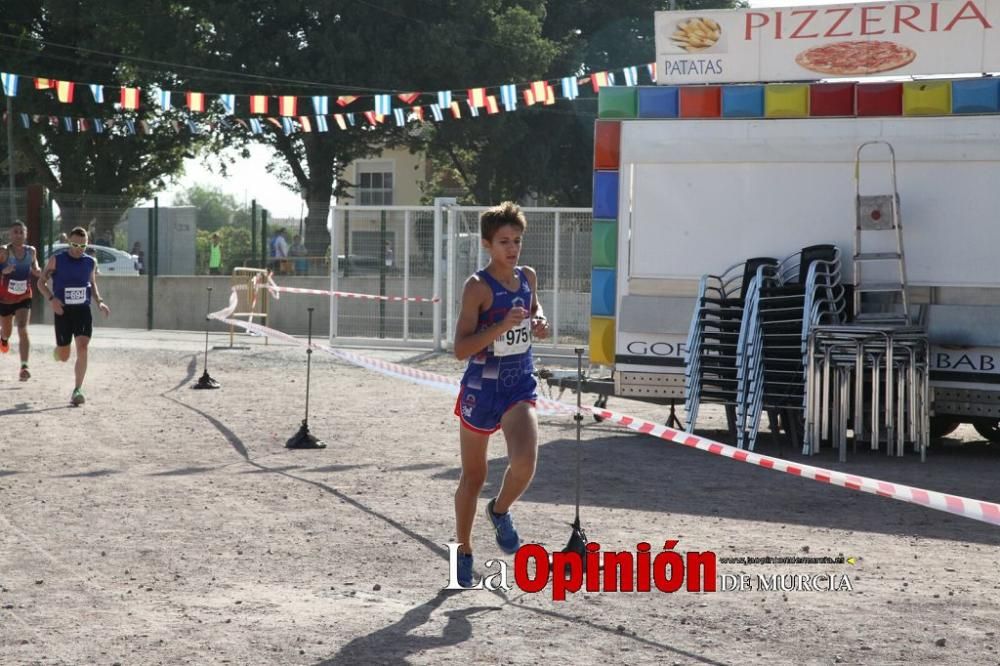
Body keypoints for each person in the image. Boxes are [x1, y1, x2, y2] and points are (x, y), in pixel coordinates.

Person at [451, 201, 549, 587]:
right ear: (487, 245)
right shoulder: (477, 286)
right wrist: (500, 326)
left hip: (518, 383)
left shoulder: (527, 277)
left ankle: (500, 509)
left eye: (517, 241)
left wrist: (539, 320)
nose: (512, 249)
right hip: (481, 385)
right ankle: (462, 549)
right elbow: (460, 349)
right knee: (474, 476)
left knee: (525, 462)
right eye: (504, 241)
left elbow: (533, 307)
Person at [37, 226, 111, 406]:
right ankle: (60, 350)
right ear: (68, 242)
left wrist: (99, 301)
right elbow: (41, 283)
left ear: (87, 244)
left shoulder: (90, 262)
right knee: (64, 355)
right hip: (62, 310)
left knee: (83, 347)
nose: (78, 249)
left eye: (83, 246)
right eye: (74, 244)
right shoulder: (57, 260)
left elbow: (92, 284)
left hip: (82, 311)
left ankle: (78, 389)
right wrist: (52, 299)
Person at [0, 221, 42, 380]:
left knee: (22, 327)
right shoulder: (3, 251)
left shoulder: (31, 251)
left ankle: (24, 366)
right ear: (10, 235)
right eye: (15, 232)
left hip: (24, 296)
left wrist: (37, 270)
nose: (18, 235)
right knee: (7, 332)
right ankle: (3, 339)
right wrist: (4, 270)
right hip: (4, 299)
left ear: (25, 235)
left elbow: (34, 265)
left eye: (20, 232)